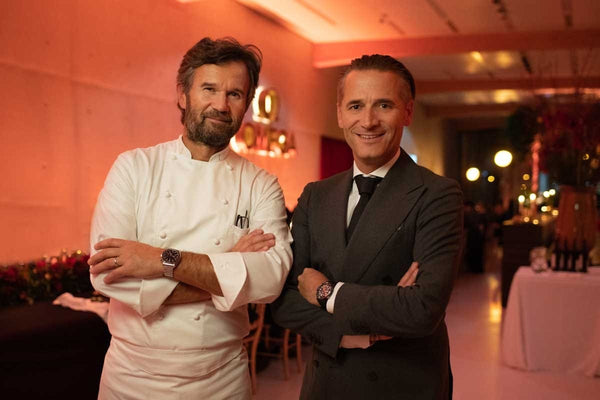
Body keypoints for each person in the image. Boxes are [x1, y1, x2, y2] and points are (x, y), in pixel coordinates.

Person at [87, 37, 292, 399]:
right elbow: (108, 275)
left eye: (234, 94)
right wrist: (229, 269)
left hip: (221, 379)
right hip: (132, 377)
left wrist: (161, 260)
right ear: (183, 95)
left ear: (246, 104)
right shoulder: (133, 168)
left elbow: (270, 278)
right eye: (209, 89)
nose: (220, 105)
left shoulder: (262, 185)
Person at [271, 54, 463, 399]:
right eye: (356, 105)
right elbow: (283, 297)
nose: (369, 121)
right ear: (340, 114)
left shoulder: (437, 194)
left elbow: (422, 310)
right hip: (325, 383)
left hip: (403, 385)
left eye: (384, 105)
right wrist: (344, 333)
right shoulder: (316, 195)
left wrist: (325, 293)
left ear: (407, 112)